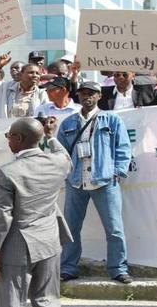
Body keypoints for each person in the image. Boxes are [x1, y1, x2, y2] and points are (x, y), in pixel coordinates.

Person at [0, 117, 72, 307]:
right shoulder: (58, 163)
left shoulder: (6, 172)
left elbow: (2, 218)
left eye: (9, 136)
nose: (8, 140)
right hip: (49, 241)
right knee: (47, 301)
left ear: (19, 138)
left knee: (12, 302)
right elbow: (65, 156)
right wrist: (51, 136)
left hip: (17, 246)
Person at [57, 81, 133, 284]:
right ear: (78, 96)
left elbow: (123, 148)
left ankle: (118, 268)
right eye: (83, 93)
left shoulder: (111, 119)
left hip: (104, 180)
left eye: (91, 93)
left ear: (99, 96)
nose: (86, 97)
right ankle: (68, 268)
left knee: (114, 228)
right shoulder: (67, 123)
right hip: (76, 182)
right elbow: (60, 152)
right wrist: (65, 173)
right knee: (71, 229)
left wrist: (117, 171)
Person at [0, 45, 48, 118]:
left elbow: (47, 116)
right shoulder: (3, 88)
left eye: (37, 73)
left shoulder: (41, 94)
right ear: (21, 74)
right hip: (6, 129)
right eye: (31, 72)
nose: (35, 75)